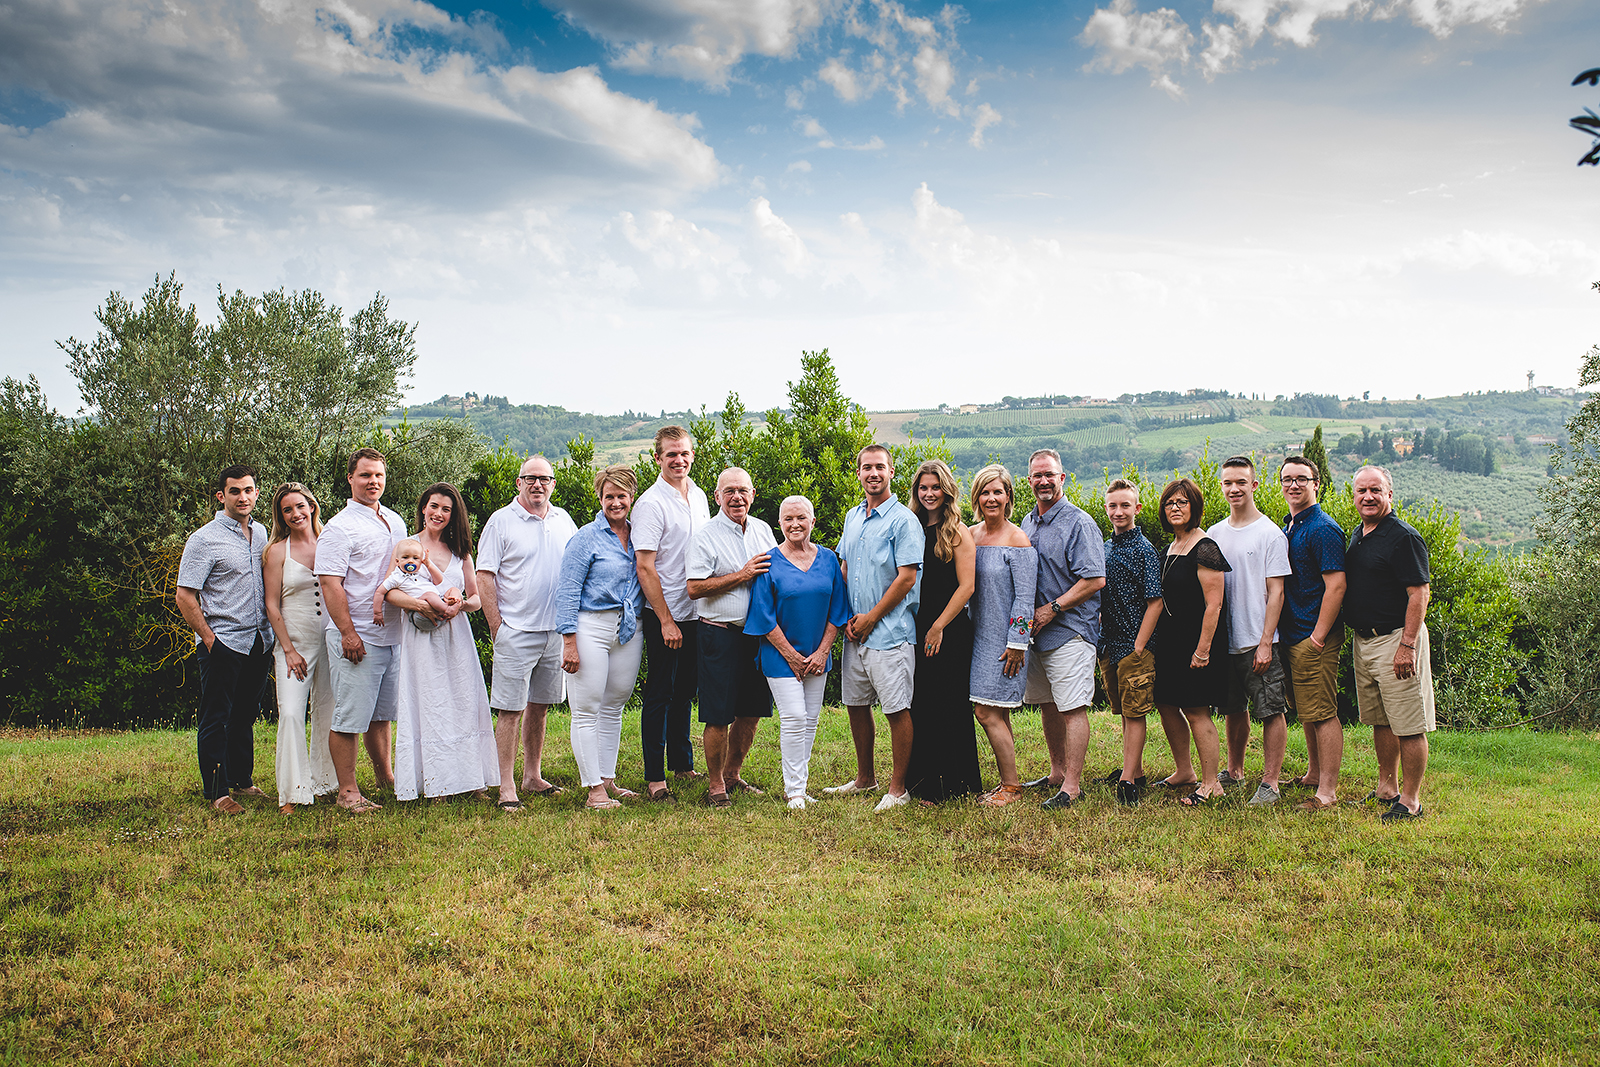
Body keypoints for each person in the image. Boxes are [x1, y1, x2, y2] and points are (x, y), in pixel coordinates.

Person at [477, 455, 578, 809]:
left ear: (553, 484)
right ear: (519, 483)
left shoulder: (564, 519)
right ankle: (506, 786)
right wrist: (497, 627)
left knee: (540, 707)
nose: (538, 485)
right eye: (530, 478)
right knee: (510, 710)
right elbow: (484, 575)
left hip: (555, 630)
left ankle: (532, 776)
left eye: (545, 479)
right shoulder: (501, 522)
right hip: (516, 631)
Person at [175, 464, 275, 814]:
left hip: (260, 641)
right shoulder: (204, 539)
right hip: (224, 641)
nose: (243, 497)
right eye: (235, 491)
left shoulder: (262, 533)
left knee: (245, 714)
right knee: (216, 716)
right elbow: (185, 595)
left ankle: (243, 781)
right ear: (222, 496)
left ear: (257, 493)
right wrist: (209, 639)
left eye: (248, 490)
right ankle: (217, 792)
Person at [830, 444, 924, 812]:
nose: (873, 474)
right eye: (866, 467)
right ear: (858, 473)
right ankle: (865, 778)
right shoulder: (853, 517)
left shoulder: (904, 520)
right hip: (856, 631)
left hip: (890, 633)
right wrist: (845, 619)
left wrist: (871, 617)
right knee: (856, 704)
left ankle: (898, 789)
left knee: (896, 708)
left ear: (891, 472)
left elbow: (906, 578)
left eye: (880, 467)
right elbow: (844, 568)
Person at [314, 447, 408, 814]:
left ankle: (386, 778)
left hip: (392, 635)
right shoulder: (339, 527)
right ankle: (348, 792)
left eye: (379, 476)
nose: (373, 482)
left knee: (381, 714)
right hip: (357, 636)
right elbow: (330, 584)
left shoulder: (396, 521)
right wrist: (348, 633)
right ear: (350, 479)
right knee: (350, 716)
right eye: (366, 475)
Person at [390, 483, 498, 802]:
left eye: (446, 509)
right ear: (423, 508)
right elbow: (391, 591)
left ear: (453, 516)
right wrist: (421, 605)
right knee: (430, 702)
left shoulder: (460, 550)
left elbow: (476, 598)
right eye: (434, 506)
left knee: (463, 702)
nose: (438, 513)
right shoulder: (407, 547)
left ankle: (472, 779)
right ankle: (437, 782)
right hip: (421, 636)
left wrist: (459, 604)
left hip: (456, 635)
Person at [744, 495, 850, 810]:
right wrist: (791, 655)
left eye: (801, 518)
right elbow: (763, 617)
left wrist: (822, 651)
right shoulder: (767, 561)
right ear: (780, 523)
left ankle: (800, 785)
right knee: (794, 717)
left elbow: (838, 609)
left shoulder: (829, 559)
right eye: (788, 519)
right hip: (780, 654)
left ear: (812, 521)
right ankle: (794, 792)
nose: (795, 524)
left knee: (811, 720)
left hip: (819, 654)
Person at [1346, 465, 1435, 820]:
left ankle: (1411, 800)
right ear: (1354, 496)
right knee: (1381, 720)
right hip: (1364, 641)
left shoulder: (1403, 537)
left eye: (1375, 491)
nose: (1368, 497)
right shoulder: (1360, 533)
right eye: (1361, 491)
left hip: (1396, 639)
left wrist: (1407, 645)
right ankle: (1387, 787)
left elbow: (1419, 593)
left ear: (1389, 496)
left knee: (1409, 723)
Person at [1019, 449, 1106, 810]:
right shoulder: (1026, 522)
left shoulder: (1079, 523)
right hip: (1035, 635)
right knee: (1048, 704)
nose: (1043, 481)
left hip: (1071, 630)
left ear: (1063, 478)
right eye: (1037, 475)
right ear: (1029, 481)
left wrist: (1053, 608)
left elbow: (1095, 579)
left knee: (1072, 707)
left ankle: (1072, 786)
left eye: (1050, 475)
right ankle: (1056, 773)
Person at [686, 467, 777, 808]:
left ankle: (733, 774)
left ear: (752, 495)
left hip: (756, 636)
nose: (737, 497)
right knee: (718, 714)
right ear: (717, 497)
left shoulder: (764, 530)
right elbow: (694, 588)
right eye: (730, 491)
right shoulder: (705, 535)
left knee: (751, 711)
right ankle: (714, 786)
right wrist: (742, 575)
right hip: (719, 634)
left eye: (743, 490)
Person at [557, 465, 646, 811]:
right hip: (589, 626)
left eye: (621, 496)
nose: (615, 502)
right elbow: (566, 592)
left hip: (628, 627)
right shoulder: (585, 539)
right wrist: (569, 642)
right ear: (600, 497)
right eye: (609, 496)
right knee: (587, 709)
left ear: (631, 497)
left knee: (615, 705)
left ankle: (608, 778)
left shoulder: (640, 535)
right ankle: (593, 788)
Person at [1206, 456, 1293, 806]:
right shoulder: (1214, 533)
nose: (1234, 488)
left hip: (1258, 639)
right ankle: (1235, 770)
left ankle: (1270, 783)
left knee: (1271, 710)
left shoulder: (1270, 534)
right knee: (1233, 709)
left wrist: (1265, 643)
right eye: (1228, 483)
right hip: (1225, 641)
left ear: (1254, 485)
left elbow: (1277, 592)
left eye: (1241, 482)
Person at [632, 426, 711, 800]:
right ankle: (654, 777)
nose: (678, 460)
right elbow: (645, 566)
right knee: (660, 693)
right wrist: (665, 620)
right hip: (665, 613)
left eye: (684, 454)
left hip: (698, 611)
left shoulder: (698, 496)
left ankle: (683, 764)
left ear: (692, 455)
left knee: (686, 692)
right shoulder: (650, 503)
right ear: (658, 458)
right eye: (670, 455)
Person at [903, 459, 980, 803]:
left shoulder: (957, 530)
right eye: (924, 488)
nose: (929, 493)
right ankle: (922, 783)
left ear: (946, 490)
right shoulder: (910, 527)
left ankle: (956, 781)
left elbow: (967, 587)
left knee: (949, 704)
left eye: (935, 487)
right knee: (921, 703)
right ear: (917, 492)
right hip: (915, 626)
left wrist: (937, 627)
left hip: (948, 628)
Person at [1152, 477, 1231, 808]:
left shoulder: (1205, 547)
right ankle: (1184, 771)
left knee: (1196, 710)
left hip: (1197, 642)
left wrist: (1202, 650)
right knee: (1167, 703)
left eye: (1181, 502)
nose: (1174, 507)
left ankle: (1211, 783)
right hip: (1170, 641)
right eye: (1170, 502)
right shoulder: (1171, 546)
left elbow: (1214, 604)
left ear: (1194, 507)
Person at [1278, 455, 1348, 812]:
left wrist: (1318, 636)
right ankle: (1313, 774)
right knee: (1306, 710)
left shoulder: (1322, 528)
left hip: (1312, 635)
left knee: (1321, 711)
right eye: (1287, 479)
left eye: (1301, 479)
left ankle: (1328, 792)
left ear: (1316, 484)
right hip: (1292, 633)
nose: (1293, 485)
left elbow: (1336, 585)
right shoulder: (1290, 525)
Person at [965, 465, 1038, 808]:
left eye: (998, 492)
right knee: (997, 712)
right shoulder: (969, 535)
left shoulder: (1018, 540)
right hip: (973, 636)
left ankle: (1011, 787)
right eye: (985, 492)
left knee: (986, 712)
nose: (991, 498)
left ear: (1009, 496)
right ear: (977, 497)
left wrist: (1017, 643)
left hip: (1004, 642)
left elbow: (1026, 598)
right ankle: (1007, 782)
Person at [261, 481, 335, 813]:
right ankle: (292, 793)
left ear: (312, 506)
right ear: (281, 515)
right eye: (287, 509)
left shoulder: (330, 542)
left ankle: (325, 782)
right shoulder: (277, 551)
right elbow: (271, 606)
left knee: (328, 712)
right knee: (291, 713)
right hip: (296, 644)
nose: (295, 513)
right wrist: (288, 649)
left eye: (300, 506)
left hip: (332, 641)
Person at [1096, 479, 1163, 807]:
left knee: (1136, 713)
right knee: (1124, 712)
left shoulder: (1144, 550)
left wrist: (1139, 645)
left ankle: (1128, 782)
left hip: (1135, 646)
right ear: (1106, 508)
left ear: (1137, 508)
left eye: (1125, 505)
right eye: (1113, 506)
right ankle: (1132, 770)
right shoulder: (1105, 548)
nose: (1118, 511)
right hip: (1109, 645)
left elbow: (1156, 601)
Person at [376, 539, 451, 630]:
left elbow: (438, 581)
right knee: (429, 595)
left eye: (415, 558)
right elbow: (380, 592)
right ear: (397, 561)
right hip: (421, 615)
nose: (411, 561)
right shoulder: (395, 577)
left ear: (421, 561)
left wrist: (429, 565)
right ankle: (447, 609)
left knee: (453, 590)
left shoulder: (422, 571)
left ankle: (448, 607)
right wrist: (377, 612)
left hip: (436, 608)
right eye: (405, 557)